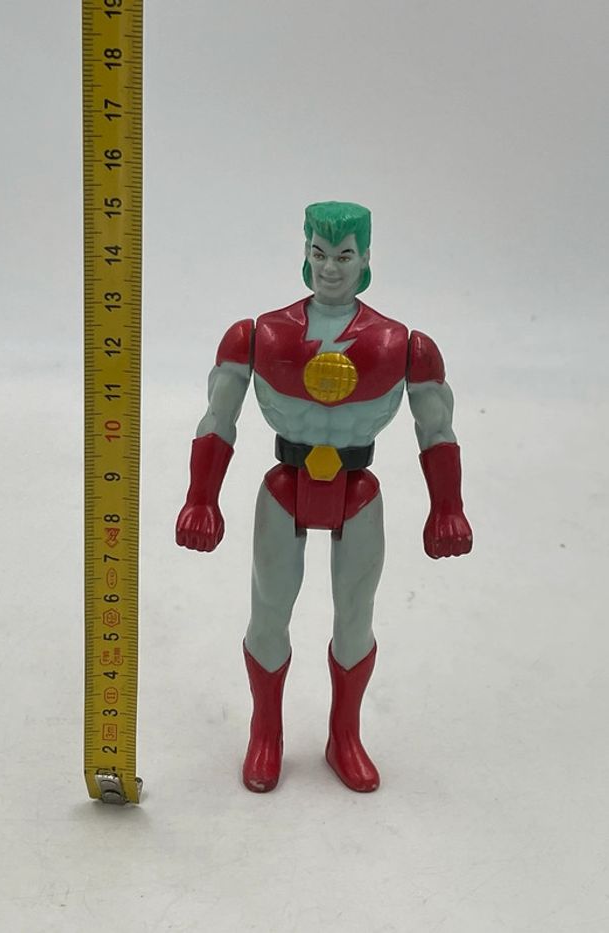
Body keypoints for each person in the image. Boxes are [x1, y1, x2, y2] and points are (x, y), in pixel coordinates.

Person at [176, 201, 472, 793]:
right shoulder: (258, 336)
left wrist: (448, 507)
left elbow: (436, 429)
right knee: (268, 611)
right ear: (305, 253)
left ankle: (345, 736)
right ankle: (266, 733)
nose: (330, 268)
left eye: (343, 255)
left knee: (355, 617)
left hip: (357, 490)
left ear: (365, 259)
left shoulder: (403, 344)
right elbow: (217, 419)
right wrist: (201, 498)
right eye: (319, 253)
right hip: (285, 485)